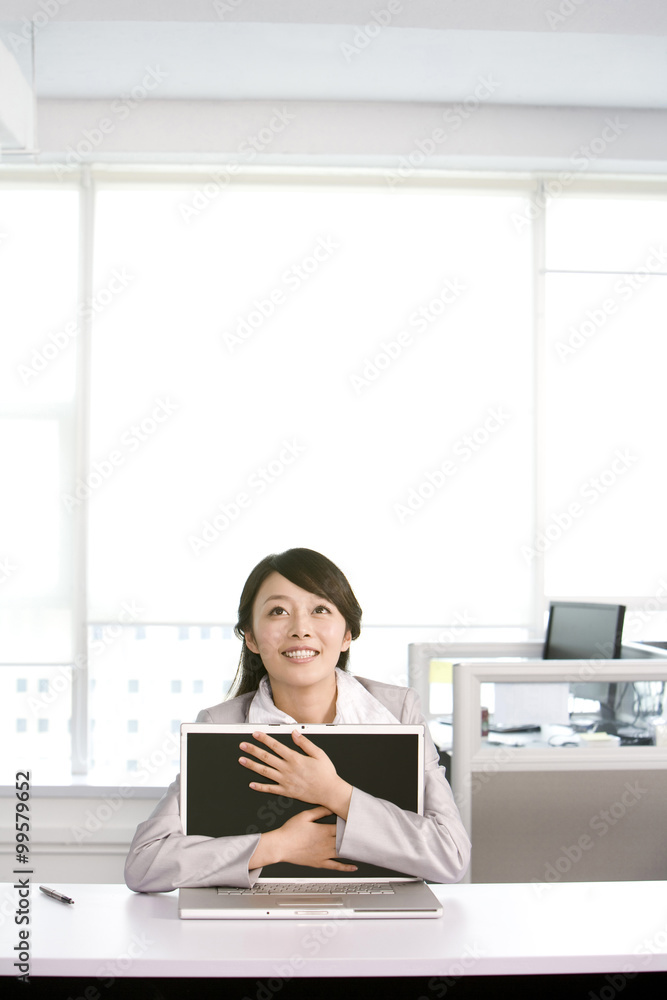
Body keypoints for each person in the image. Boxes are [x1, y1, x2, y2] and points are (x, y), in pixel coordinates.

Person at [124, 548, 471, 892]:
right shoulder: (219, 723)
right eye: (278, 611)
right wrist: (276, 846)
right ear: (251, 637)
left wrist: (335, 793)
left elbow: (451, 856)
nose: (300, 629)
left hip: (375, 920)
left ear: (347, 634)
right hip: (254, 923)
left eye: (320, 609)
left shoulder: (398, 711)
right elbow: (145, 864)